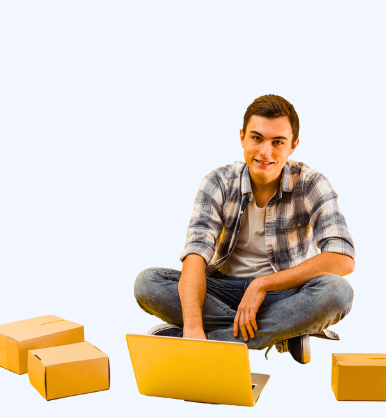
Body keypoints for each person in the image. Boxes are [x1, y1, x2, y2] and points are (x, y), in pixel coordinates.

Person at [134, 94, 355, 364]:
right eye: (257, 138)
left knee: (337, 292)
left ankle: (211, 342)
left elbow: (342, 258)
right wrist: (192, 325)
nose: (265, 152)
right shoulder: (218, 181)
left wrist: (262, 284)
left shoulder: (311, 183)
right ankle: (286, 331)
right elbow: (196, 254)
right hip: (222, 290)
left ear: (293, 146)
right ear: (242, 137)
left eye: (278, 142)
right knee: (148, 284)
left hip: (284, 294)